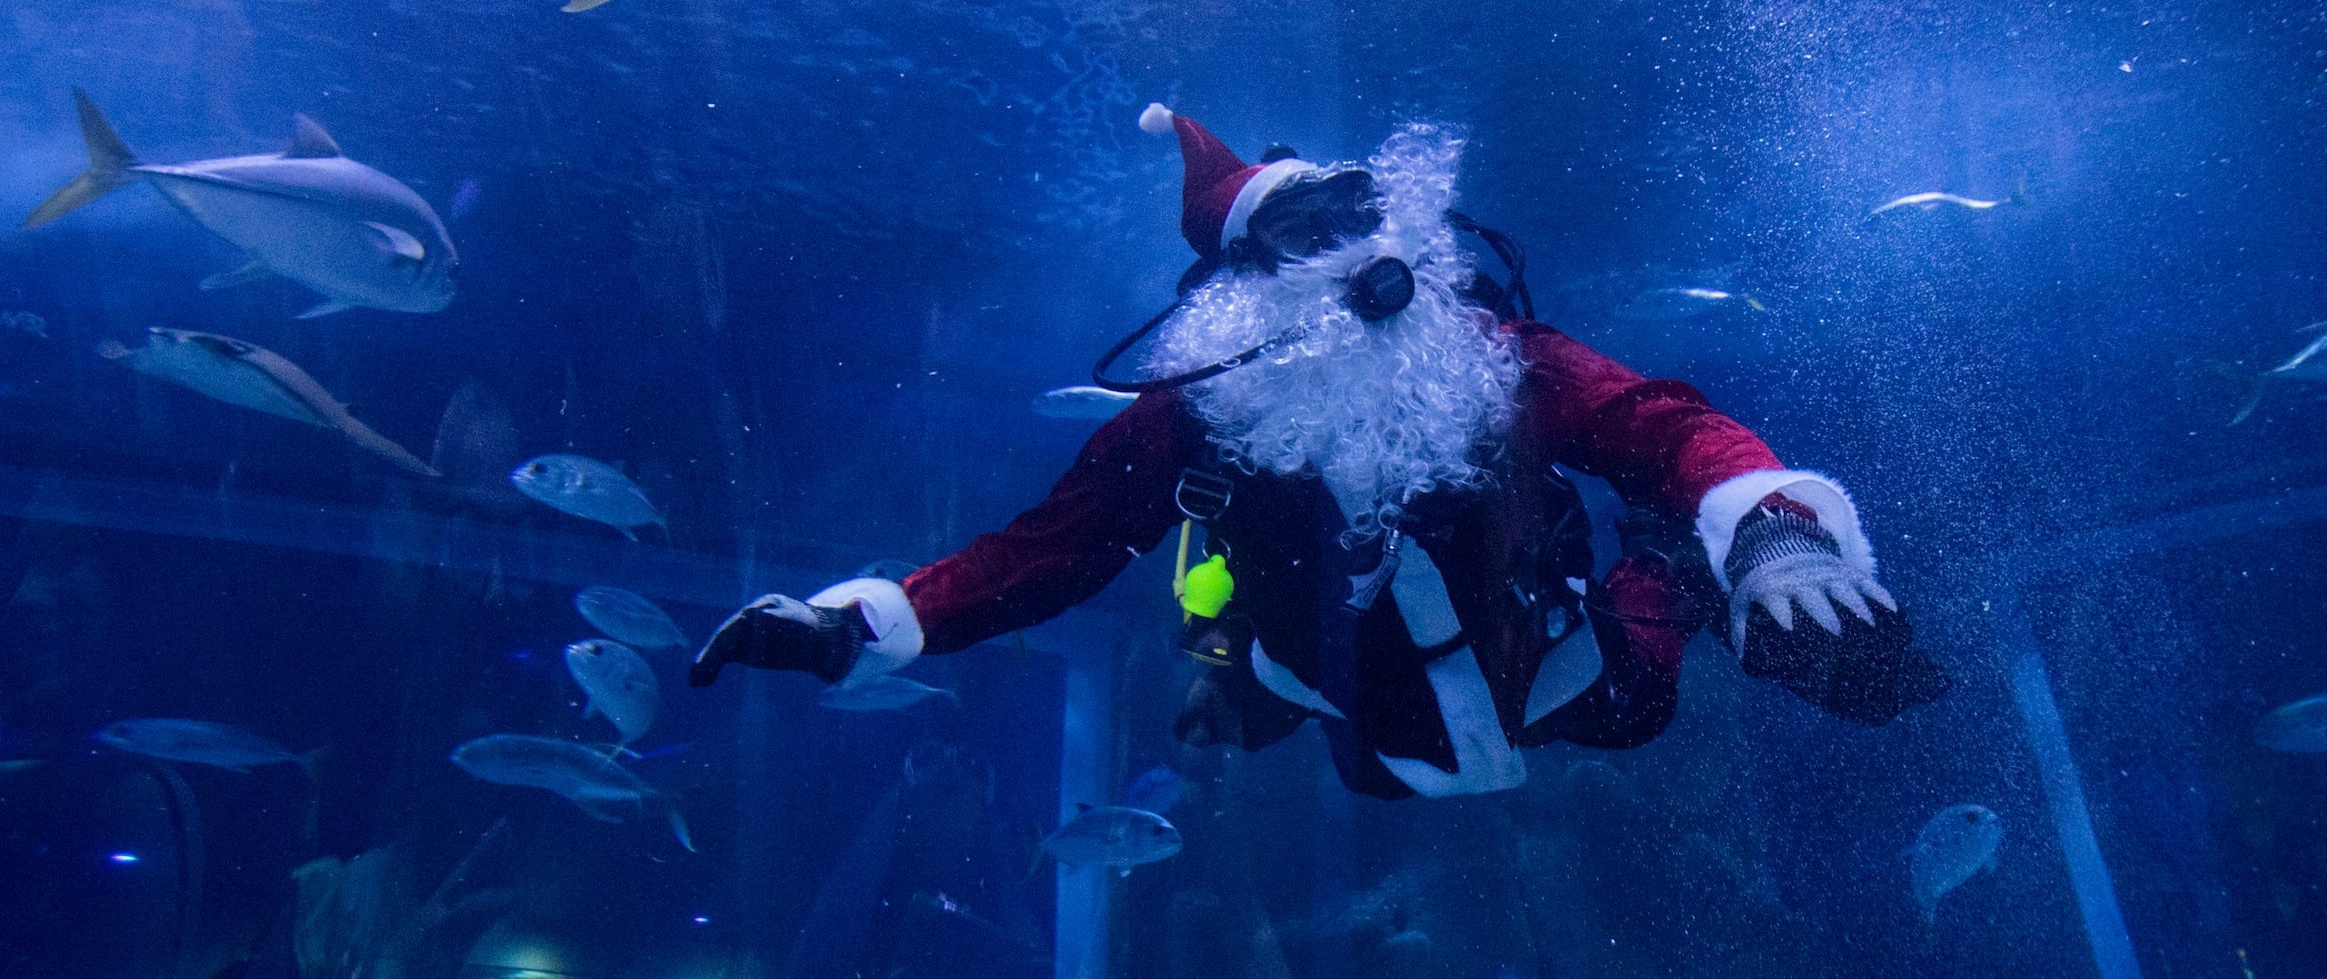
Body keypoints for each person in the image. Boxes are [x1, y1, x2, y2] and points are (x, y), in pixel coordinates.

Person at [692, 108, 1946, 798]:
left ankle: (1694, 574)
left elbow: (1658, 425)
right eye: (1306, 229)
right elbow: (1048, 553)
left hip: (1569, 668)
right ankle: (1235, 676)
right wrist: (861, 625)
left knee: (1641, 697)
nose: (1352, 246)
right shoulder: (1187, 417)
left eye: (1360, 213)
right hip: (1366, 725)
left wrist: (1771, 527)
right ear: (1237, 283)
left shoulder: (1495, 356)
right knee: (1316, 741)